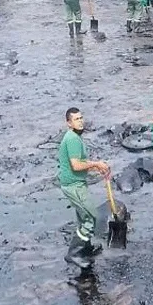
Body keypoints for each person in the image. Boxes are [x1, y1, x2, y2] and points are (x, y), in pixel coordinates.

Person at [60, 107, 110, 270]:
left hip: (76, 183)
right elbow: (75, 165)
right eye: (76, 119)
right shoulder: (72, 139)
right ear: (69, 123)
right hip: (73, 185)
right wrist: (96, 164)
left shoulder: (74, 137)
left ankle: (86, 248)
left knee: (83, 218)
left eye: (81, 118)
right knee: (91, 217)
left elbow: (80, 163)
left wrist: (97, 167)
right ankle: (73, 254)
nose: (80, 121)